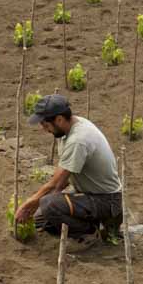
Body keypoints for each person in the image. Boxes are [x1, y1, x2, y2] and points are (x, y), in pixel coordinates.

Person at [13, 94, 123, 242]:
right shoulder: (68, 129)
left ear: (59, 119)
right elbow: (62, 181)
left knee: (48, 205)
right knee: (41, 218)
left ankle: (91, 233)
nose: (44, 129)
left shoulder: (78, 140)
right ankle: (86, 222)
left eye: (46, 125)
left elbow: (57, 183)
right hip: (88, 193)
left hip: (106, 201)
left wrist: (28, 204)